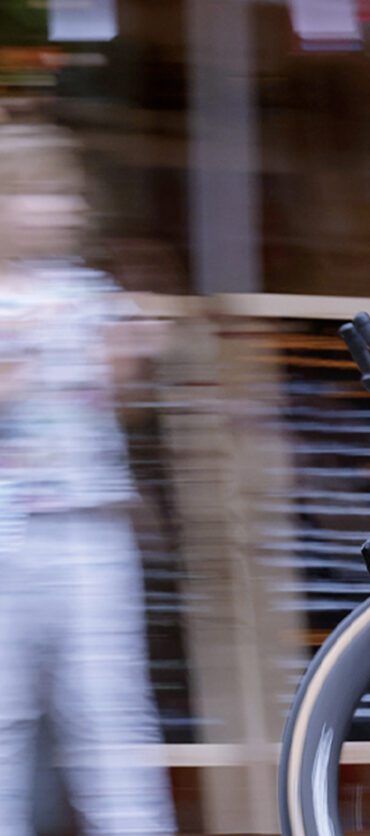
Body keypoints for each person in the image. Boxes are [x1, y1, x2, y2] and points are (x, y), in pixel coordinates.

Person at [0, 115, 176, 835]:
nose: (57, 208)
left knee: (110, 709)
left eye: (65, 194)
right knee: (6, 715)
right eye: (35, 193)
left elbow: (122, 395)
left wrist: (134, 352)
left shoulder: (88, 291)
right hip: (10, 534)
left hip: (92, 529)